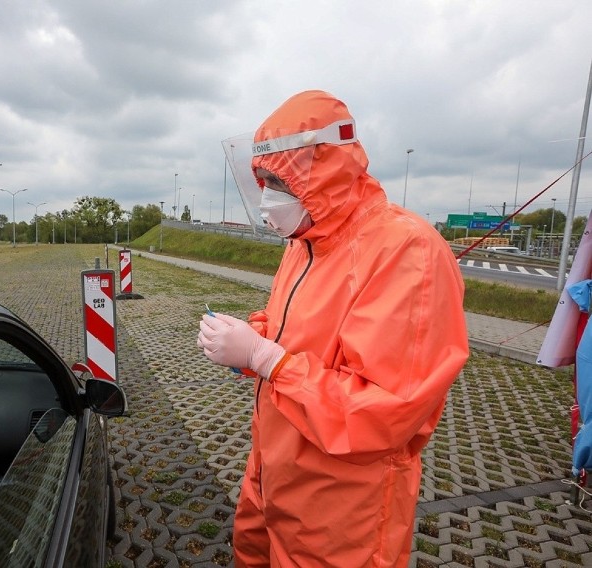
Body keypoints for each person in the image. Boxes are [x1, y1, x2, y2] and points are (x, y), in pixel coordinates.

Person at [198, 90, 469, 567]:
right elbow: (296, 330)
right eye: (261, 180)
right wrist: (250, 338)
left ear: (321, 169)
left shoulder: (406, 251)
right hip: (271, 478)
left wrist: (265, 358)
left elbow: (382, 410)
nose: (267, 197)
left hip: (341, 514)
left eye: (278, 182)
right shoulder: (305, 241)